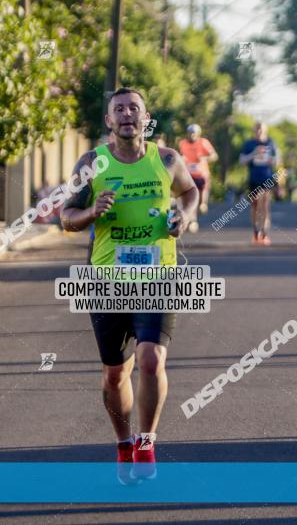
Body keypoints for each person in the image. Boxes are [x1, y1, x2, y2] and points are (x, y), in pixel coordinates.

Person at [60, 87, 198, 483]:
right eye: (118, 110)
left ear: (145, 117)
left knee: (153, 360)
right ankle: (123, 444)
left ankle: (146, 441)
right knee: (115, 374)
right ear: (108, 121)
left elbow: (190, 191)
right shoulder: (91, 163)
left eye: (133, 109)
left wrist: (184, 216)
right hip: (107, 279)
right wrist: (91, 211)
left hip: (159, 276)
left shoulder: (167, 159)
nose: (126, 115)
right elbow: (66, 218)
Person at [239, 122, 279, 245]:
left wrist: (271, 160)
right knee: (255, 205)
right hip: (253, 178)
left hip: (266, 178)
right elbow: (242, 160)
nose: (259, 132)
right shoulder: (249, 144)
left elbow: (277, 161)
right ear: (254, 131)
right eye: (257, 130)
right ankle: (256, 232)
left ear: (265, 130)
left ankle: (265, 233)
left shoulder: (271, 143)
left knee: (265, 204)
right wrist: (253, 155)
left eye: (261, 130)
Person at [178, 124, 218, 227]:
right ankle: (193, 220)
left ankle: (203, 203)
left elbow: (214, 156)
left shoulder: (203, 142)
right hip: (189, 175)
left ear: (198, 134)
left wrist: (204, 158)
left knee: (200, 201)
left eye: (194, 133)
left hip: (202, 174)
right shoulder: (183, 143)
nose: (192, 135)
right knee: (192, 198)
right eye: (190, 133)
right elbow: (180, 156)